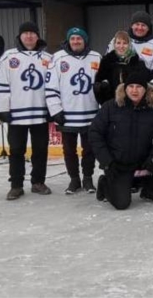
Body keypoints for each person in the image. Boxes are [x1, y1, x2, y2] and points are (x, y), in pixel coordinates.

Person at [89, 70, 153, 210]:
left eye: (139, 87)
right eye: (131, 86)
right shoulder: (110, 107)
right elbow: (95, 133)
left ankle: (149, 189)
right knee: (122, 204)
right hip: (118, 165)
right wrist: (107, 161)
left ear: (145, 89)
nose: (134, 90)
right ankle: (105, 183)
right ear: (125, 88)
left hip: (144, 162)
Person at [0, 22, 53, 200]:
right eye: (25, 33)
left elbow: (54, 85)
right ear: (20, 36)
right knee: (17, 150)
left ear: (37, 36)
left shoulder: (48, 58)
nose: (29, 36)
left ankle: (38, 182)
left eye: (32, 33)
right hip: (17, 115)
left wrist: (52, 108)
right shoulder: (8, 57)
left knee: (41, 149)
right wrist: (3, 108)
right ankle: (16, 185)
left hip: (40, 114)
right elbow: (0, 83)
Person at [45, 27, 102, 194]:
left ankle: (88, 179)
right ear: (68, 41)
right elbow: (50, 86)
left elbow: (102, 86)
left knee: (89, 150)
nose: (76, 41)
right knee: (69, 150)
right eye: (73, 38)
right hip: (67, 115)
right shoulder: (58, 58)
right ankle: (74, 180)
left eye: (79, 38)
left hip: (91, 114)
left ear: (85, 40)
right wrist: (56, 110)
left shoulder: (96, 57)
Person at [105, 11, 153, 91]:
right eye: (137, 24)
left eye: (143, 25)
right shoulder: (118, 41)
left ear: (149, 28)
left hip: (142, 92)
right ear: (132, 25)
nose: (140, 28)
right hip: (117, 92)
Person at [94, 31, 152, 105]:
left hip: (132, 104)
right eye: (118, 43)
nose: (121, 46)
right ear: (114, 44)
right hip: (112, 105)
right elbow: (98, 84)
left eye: (125, 43)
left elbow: (144, 84)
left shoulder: (137, 62)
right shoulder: (106, 62)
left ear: (129, 45)